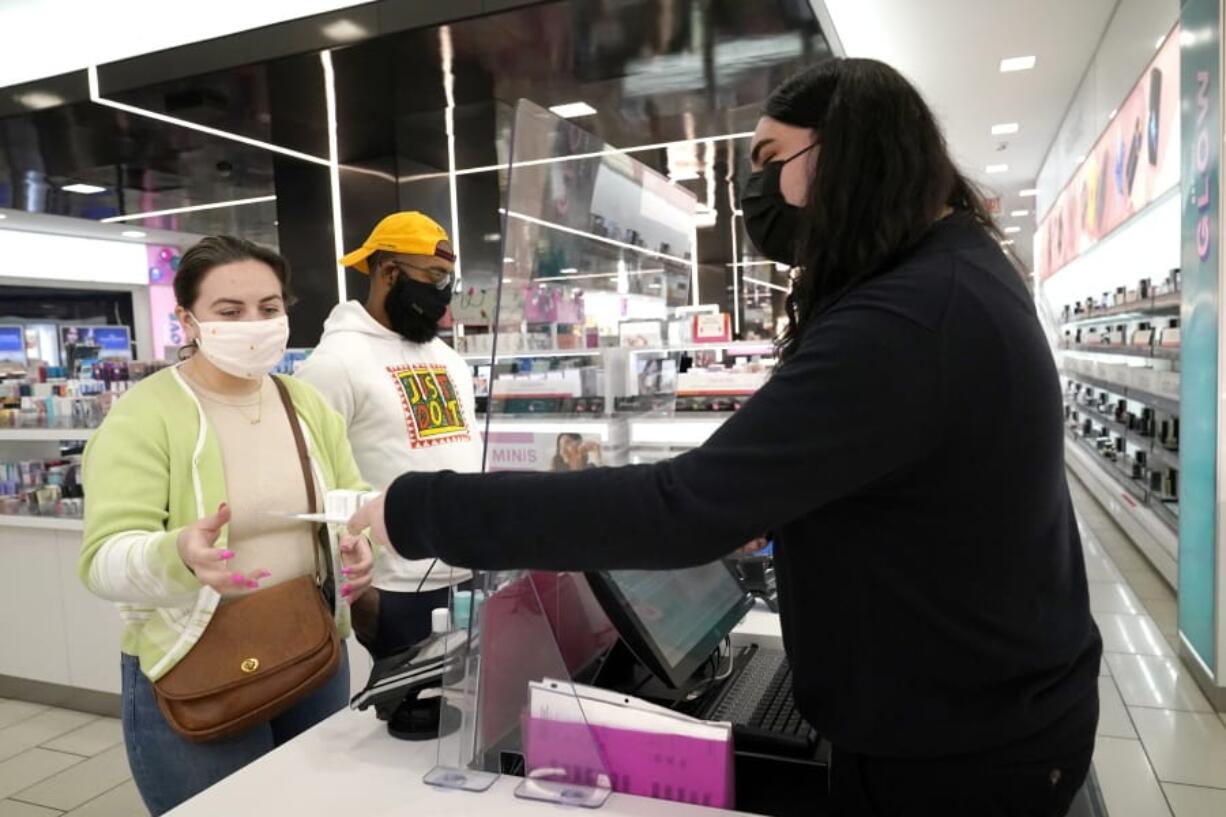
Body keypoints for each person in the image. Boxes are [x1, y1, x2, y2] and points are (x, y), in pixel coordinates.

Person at [351, 58, 1102, 817]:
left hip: (959, 757)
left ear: (848, 149)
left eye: (773, 160)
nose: (758, 191)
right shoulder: (947, 273)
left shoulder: (905, 318)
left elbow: (682, 509)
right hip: (981, 714)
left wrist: (424, 509)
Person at [80, 235, 375, 816]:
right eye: (230, 311)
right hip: (196, 663)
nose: (255, 324)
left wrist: (357, 540)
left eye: (269, 308)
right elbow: (103, 559)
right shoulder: (145, 415)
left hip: (310, 648)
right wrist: (179, 555)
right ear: (188, 320)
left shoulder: (303, 403)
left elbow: (350, 495)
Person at [296, 212, 482, 659]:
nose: (443, 294)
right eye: (434, 277)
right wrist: (359, 595)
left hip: (469, 573)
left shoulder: (446, 357)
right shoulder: (334, 363)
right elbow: (314, 482)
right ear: (389, 272)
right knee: (407, 722)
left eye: (449, 280)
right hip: (395, 586)